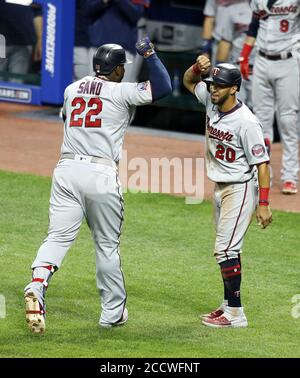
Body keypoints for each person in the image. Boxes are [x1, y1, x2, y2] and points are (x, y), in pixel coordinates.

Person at [24, 37, 172, 334]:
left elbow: (67, 119)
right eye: (122, 67)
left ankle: (37, 285)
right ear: (116, 69)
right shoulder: (122, 92)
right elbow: (164, 87)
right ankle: (112, 313)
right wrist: (150, 55)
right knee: (106, 246)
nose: (124, 71)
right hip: (99, 173)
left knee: (57, 237)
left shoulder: (71, 88)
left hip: (65, 170)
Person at [183, 57, 272, 328]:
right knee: (228, 250)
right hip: (220, 187)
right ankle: (227, 305)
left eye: (220, 86)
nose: (213, 89)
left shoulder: (247, 122)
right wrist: (198, 69)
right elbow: (188, 81)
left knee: (225, 249)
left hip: (240, 188)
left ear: (234, 88)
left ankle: (236, 313)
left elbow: (263, 164)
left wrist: (264, 204)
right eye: (212, 84)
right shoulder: (211, 102)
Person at [239, 0, 300, 194]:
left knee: (288, 120)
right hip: (262, 60)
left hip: (288, 60)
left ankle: (290, 176)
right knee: (261, 121)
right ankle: (263, 173)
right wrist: (244, 55)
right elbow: (254, 25)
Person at [86, 0, 150, 82]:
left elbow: (136, 15)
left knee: (121, 92)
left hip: (123, 49)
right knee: (95, 90)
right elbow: (87, 10)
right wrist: (102, 2)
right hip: (98, 47)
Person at [0, 0, 42, 83]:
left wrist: (40, 39)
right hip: (3, 42)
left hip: (23, 43)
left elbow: (38, 14)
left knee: (17, 84)